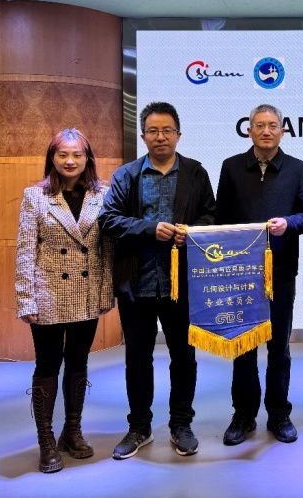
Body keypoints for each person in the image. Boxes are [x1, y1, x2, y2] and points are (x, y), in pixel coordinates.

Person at [99, 101, 215, 460]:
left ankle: (181, 425)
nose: (160, 137)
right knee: (137, 358)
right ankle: (139, 427)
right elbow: (108, 220)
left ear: (178, 134)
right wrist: (150, 229)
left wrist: (190, 231)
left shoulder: (195, 173)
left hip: (182, 283)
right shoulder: (127, 175)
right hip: (138, 282)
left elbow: (211, 216)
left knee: (184, 357)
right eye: (153, 131)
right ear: (143, 135)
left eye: (167, 130)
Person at [215, 104, 303, 445]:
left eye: (273, 125)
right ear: (249, 130)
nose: (266, 131)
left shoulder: (298, 169)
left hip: (281, 272)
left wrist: (289, 223)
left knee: (278, 348)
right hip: (240, 272)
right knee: (243, 346)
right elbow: (220, 219)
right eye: (259, 125)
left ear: (283, 131)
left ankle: (279, 414)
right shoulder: (231, 167)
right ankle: (243, 415)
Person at [14, 127, 113, 473]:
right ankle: (46, 440)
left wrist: (105, 292)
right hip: (48, 294)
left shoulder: (103, 195)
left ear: (87, 158)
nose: (70, 161)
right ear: (52, 158)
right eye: (63, 154)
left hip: (86, 292)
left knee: (78, 362)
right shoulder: (35, 196)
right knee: (47, 364)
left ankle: (72, 431)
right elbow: (25, 251)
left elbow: (107, 250)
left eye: (77, 154)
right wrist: (26, 299)